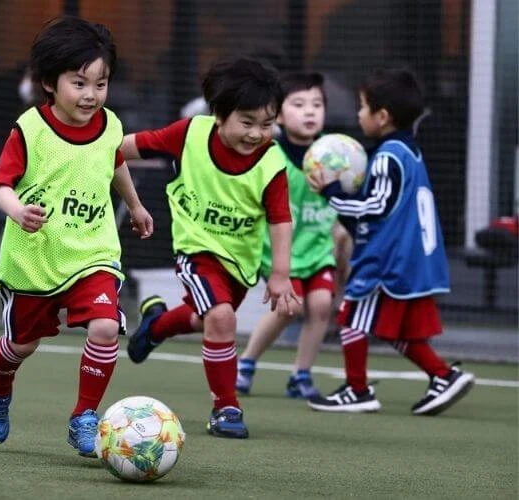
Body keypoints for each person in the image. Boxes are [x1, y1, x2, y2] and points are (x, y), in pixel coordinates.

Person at [0, 17, 153, 457]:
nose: (91, 95)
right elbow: (1, 186)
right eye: (79, 83)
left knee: (107, 326)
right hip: (35, 257)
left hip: (92, 251)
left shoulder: (110, 124)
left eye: (101, 83)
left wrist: (133, 204)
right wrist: (17, 210)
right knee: (22, 344)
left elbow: (113, 163)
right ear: (50, 83)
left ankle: (84, 417)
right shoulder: (30, 129)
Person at [121, 57, 301, 439]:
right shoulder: (188, 134)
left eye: (267, 125)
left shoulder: (272, 161)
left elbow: (281, 220)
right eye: (247, 122)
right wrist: (82, 150)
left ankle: (156, 325)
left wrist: (281, 274)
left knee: (209, 318)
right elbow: (124, 147)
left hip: (240, 262)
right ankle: (226, 407)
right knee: (221, 318)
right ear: (219, 114)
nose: (256, 134)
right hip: (196, 250)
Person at [306, 68, 474, 415]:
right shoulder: (407, 152)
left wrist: (333, 192)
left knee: (353, 318)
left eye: (363, 107)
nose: (358, 114)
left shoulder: (387, 157)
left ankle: (357, 390)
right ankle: (442, 376)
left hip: (387, 258)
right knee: (392, 327)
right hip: (407, 256)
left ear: (382, 117)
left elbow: (377, 206)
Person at [235, 72, 339, 399]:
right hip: (281, 252)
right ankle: (247, 362)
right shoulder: (270, 155)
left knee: (322, 304)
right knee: (288, 308)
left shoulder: (336, 156)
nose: (310, 111)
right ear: (278, 115)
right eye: (299, 104)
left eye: (317, 104)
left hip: (319, 248)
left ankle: (301, 374)